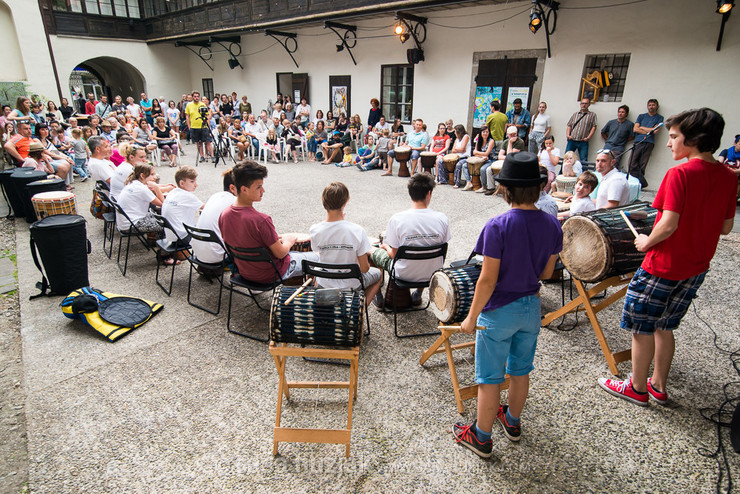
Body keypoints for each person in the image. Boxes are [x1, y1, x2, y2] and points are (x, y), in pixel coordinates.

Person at [597, 107, 737, 407]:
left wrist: (647, 241)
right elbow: (726, 227)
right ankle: (658, 386)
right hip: (696, 267)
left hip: (663, 266)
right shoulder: (729, 175)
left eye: (674, 137)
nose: (670, 143)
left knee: (641, 327)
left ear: (694, 139)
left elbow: (668, 224)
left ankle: (636, 387)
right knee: (665, 325)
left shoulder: (679, 174)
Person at [452, 152, 561, 458]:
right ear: (539, 188)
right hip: (531, 308)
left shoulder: (497, 225)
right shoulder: (553, 225)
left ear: (505, 189)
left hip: (499, 310)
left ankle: (481, 438)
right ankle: (512, 423)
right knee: (521, 370)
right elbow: (547, 274)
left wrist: (471, 317)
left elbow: (487, 281)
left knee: (489, 379)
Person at [218, 161, 318, 283]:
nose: (263, 190)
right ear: (244, 189)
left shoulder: (224, 214)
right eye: (258, 187)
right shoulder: (261, 220)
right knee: (319, 257)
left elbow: (230, 248)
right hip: (271, 274)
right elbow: (281, 254)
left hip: (244, 273)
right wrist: (289, 241)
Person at [371, 173, 451, 308]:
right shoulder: (442, 218)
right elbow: (442, 248)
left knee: (371, 251)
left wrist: (385, 247)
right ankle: (418, 294)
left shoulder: (397, 219)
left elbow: (394, 255)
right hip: (433, 273)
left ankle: (377, 296)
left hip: (403, 274)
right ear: (429, 193)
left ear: (410, 193)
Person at [309, 182, 383, 306]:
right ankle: (359, 312)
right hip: (351, 285)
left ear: (324, 202)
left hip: (325, 284)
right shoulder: (357, 231)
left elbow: (318, 251)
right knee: (378, 274)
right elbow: (364, 269)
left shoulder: (315, 230)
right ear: (344, 204)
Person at [189, 168, 237, 272]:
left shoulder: (215, 196)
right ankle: (237, 273)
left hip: (197, 253)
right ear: (233, 188)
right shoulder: (234, 203)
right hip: (216, 256)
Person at [116, 163, 166, 241]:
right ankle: (164, 250)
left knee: (155, 214)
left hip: (125, 223)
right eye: (152, 174)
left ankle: (154, 241)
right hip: (132, 225)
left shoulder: (132, 183)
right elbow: (163, 204)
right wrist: (156, 187)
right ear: (142, 176)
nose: (155, 176)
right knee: (167, 224)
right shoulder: (142, 188)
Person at [162, 166, 204, 247]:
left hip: (172, 236)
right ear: (181, 183)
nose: (196, 184)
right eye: (192, 182)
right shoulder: (187, 196)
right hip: (183, 237)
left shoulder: (173, 192)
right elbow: (206, 207)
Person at [628, 99, 664, 188]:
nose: (651, 107)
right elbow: (635, 129)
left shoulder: (659, 117)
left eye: (653, 105)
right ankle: (642, 183)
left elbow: (655, 131)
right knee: (631, 163)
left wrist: (642, 128)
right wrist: (649, 130)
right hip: (638, 141)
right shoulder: (641, 116)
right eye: (649, 105)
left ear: (657, 106)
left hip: (649, 143)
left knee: (642, 164)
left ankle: (637, 185)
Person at [483, 126, 525, 195]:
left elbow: (510, 155)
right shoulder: (505, 142)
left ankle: (507, 190)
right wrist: (507, 157)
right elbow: (500, 156)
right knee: (489, 169)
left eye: (514, 134)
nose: (512, 136)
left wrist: (510, 143)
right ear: (507, 134)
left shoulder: (520, 142)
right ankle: (491, 188)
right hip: (506, 161)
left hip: (515, 163)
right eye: (510, 134)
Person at [600, 105, 634, 170]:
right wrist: (607, 140)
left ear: (626, 114)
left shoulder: (630, 124)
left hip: (618, 148)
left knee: (614, 165)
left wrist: (623, 141)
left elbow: (633, 136)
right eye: (619, 112)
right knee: (602, 164)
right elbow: (603, 132)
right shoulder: (611, 122)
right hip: (608, 146)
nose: (620, 114)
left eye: (623, 112)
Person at [185, 91, 212, 163]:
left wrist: (207, 124)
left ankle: (211, 156)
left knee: (207, 141)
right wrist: (189, 126)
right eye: (195, 96)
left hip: (203, 125)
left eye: (197, 96)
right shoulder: (189, 105)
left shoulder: (202, 104)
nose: (196, 98)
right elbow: (187, 116)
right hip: (194, 126)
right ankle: (202, 156)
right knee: (198, 143)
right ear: (192, 97)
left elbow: (207, 115)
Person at [473, 127, 497, 193]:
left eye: (487, 132)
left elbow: (487, 153)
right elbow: (474, 153)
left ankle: (484, 187)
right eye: (483, 132)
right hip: (482, 159)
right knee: (465, 165)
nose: (485, 133)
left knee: (483, 169)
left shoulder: (491, 141)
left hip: (491, 160)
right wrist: (481, 155)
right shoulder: (479, 141)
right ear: (481, 133)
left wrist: (478, 153)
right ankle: (470, 183)